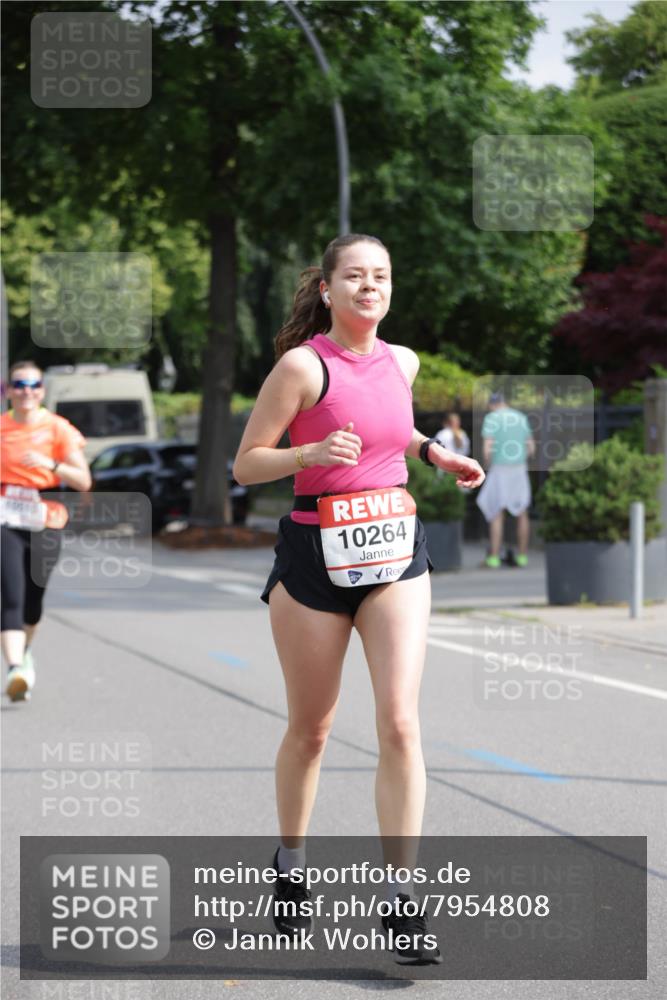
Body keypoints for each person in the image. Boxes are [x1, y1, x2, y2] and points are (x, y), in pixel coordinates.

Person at [233, 234, 484, 965]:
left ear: (389, 288)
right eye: (354, 276)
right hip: (315, 555)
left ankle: (402, 903)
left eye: (380, 276)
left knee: (401, 724)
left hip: (393, 551)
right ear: (327, 289)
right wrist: (307, 455)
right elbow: (247, 463)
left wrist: (435, 452)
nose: (368, 287)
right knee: (312, 729)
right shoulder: (301, 365)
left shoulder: (400, 361)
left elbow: (390, 427)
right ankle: (289, 861)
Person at [1, 360, 91, 701]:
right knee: (10, 594)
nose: (26, 391)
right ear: (9, 390)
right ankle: (14, 669)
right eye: (19, 384)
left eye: (33, 385)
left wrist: (50, 464)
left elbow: (83, 481)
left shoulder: (58, 429)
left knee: (32, 602)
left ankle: (23, 653)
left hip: (45, 519)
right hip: (5, 518)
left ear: (41, 390)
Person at [476, 391, 535, 568]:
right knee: (522, 512)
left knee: (496, 513)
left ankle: (494, 557)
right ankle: (523, 556)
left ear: (492, 405)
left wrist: (486, 465)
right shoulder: (521, 417)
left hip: (500, 468)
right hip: (519, 469)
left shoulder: (492, 418)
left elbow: (487, 447)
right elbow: (531, 447)